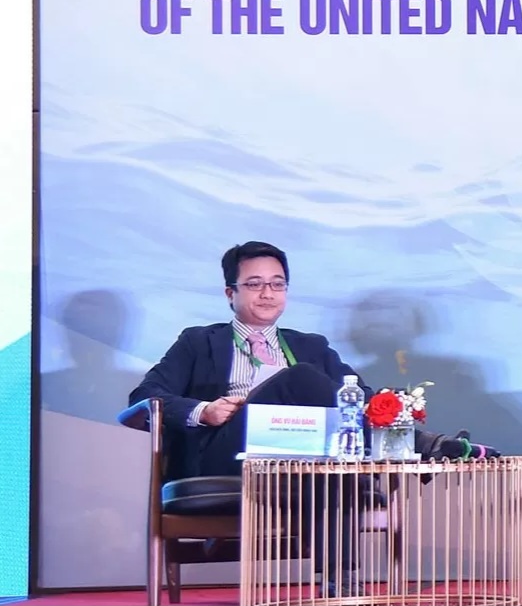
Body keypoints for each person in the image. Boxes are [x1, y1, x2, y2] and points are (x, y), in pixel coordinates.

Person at [127, 241, 499, 592]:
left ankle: (341, 583)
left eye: (277, 284)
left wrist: (398, 409)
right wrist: (203, 410)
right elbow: (143, 397)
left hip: (301, 457)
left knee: (336, 458)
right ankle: (426, 447)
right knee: (300, 378)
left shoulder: (310, 345)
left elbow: (362, 399)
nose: (267, 293)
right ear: (230, 293)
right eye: (254, 284)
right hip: (227, 454)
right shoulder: (198, 342)